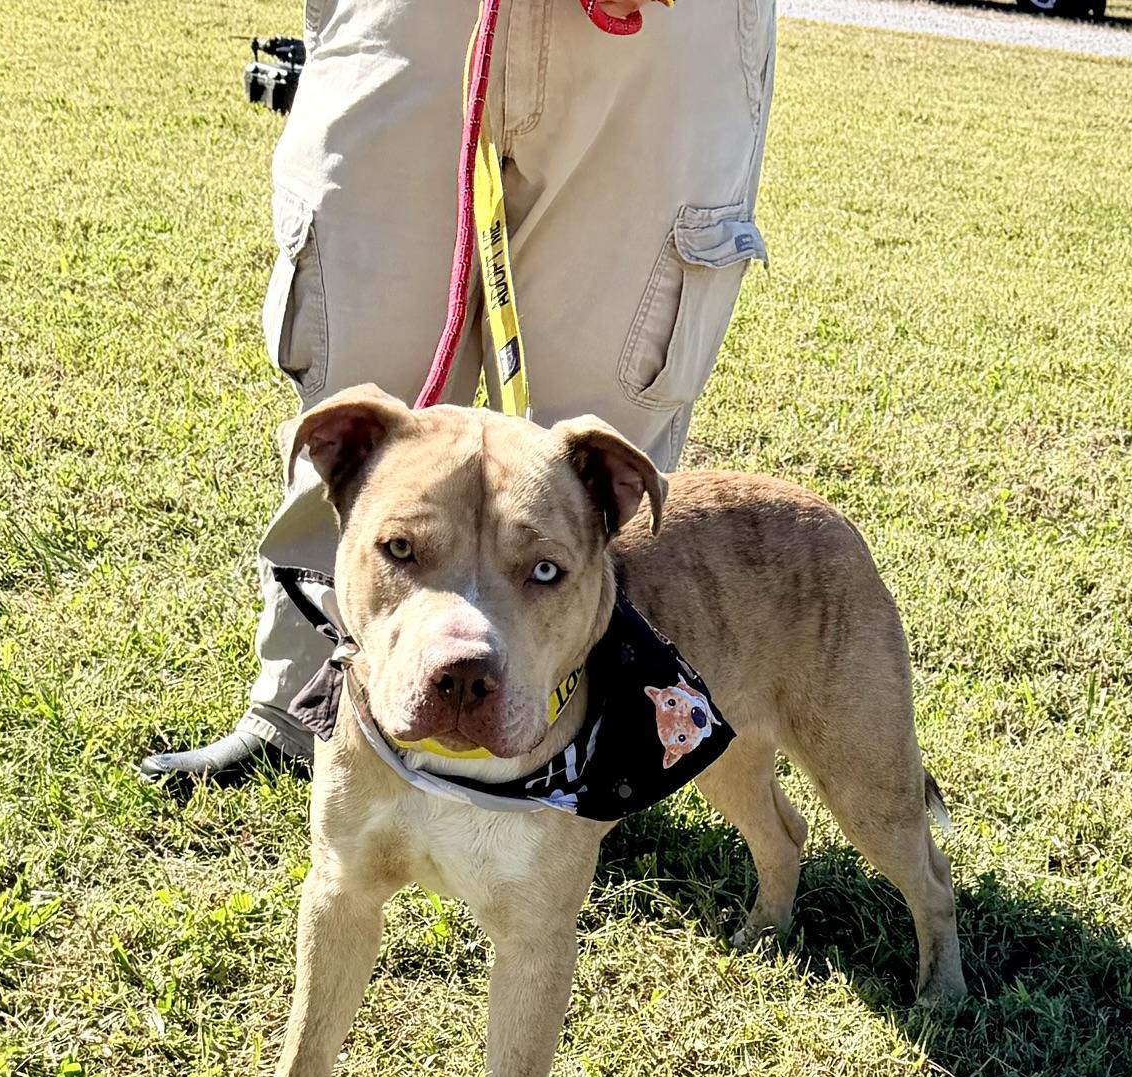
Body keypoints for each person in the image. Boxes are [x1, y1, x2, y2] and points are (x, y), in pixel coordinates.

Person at [140, 0, 779, 789]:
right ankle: (306, 714)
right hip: (415, 18)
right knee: (364, 414)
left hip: (662, 37)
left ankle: (560, 751)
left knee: (589, 455)